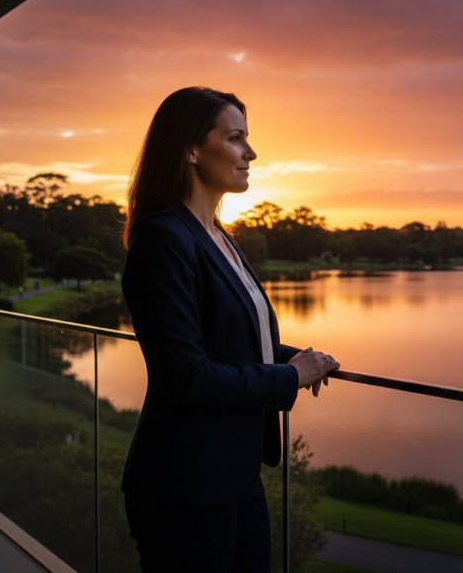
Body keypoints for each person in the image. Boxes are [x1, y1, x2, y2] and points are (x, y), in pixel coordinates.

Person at [120, 87, 339, 572]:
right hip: (186, 485)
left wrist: (297, 358)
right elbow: (186, 377)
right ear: (191, 149)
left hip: (235, 475)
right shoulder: (163, 239)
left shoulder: (217, 235)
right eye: (236, 138)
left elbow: (227, 339)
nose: (251, 153)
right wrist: (290, 378)